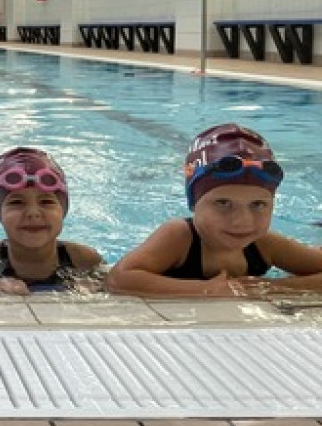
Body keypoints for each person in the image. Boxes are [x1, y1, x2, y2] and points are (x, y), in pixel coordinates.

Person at [106, 123, 322, 297]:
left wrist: (273, 287)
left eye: (258, 205)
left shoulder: (264, 244)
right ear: (193, 203)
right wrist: (206, 290)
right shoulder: (179, 237)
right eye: (223, 203)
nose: (241, 221)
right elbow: (119, 279)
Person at [0, 147, 103, 294]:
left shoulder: (84, 259)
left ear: (63, 211)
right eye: (16, 203)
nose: (33, 213)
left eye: (46, 202)